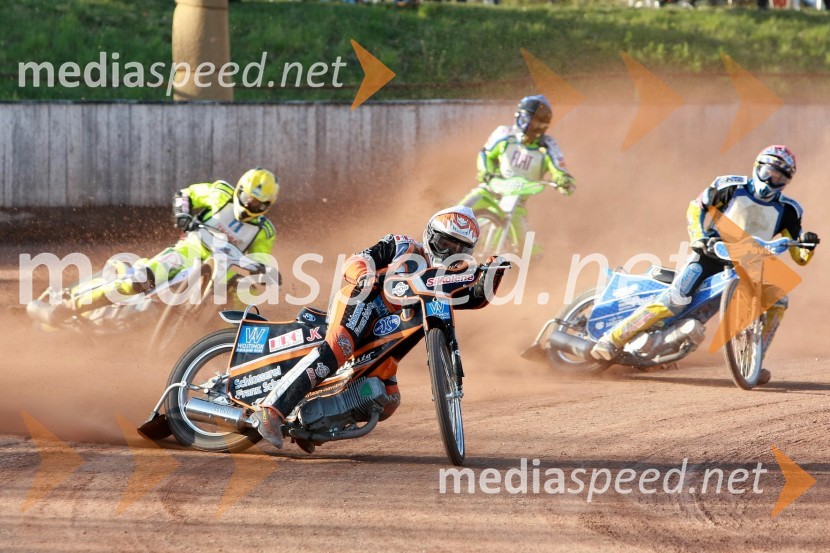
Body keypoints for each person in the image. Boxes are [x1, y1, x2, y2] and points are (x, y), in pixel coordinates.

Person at [251, 206, 508, 448]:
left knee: (387, 399)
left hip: (387, 335)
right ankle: (270, 411)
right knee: (337, 348)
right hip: (363, 302)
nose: (448, 252)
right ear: (430, 235)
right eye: (444, 244)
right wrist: (365, 274)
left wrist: (492, 275)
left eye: (457, 249)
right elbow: (357, 259)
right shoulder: (402, 245)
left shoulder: (452, 277)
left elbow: (473, 298)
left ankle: (311, 425)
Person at [591, 145, 820, 385]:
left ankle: (755, 360)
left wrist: (808, 245)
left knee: (779, 301)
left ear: (787, 181)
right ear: (757, 168)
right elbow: (696, 207)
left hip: (750, 264)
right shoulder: (730, 186)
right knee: (675, 300)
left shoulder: (790, 210)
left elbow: (799, 257)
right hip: (711, 254)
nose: (772, 181)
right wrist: (698, 237)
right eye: (768, 173)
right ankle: (612, 339)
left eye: (780, 177)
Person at [46, 167, 279, 322]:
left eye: (258, 205)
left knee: (243, 299)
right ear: (239, 190)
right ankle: (70, 307)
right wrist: (182, 215)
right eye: (248, 199)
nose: (250, 206)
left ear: (268, 205)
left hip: (223, 271)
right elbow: (185, 195)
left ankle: (224, 351)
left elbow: (261, 259)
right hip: (189, 251)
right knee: (139, 279)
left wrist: (264, 272)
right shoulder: (220, 193)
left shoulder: (264, 231)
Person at [460, 94, 576, 253]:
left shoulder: (548, 146)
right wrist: (486, 172)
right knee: (457, 213)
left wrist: (564, 180)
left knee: (529, 251)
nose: (530, 126)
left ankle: (522, 271)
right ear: (519, 117)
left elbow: (559, 169)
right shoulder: (504, 134)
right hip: (489, 190)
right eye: (529, 120)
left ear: (544, 126)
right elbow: (485, 154)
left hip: (516, 203)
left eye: (537, 123)